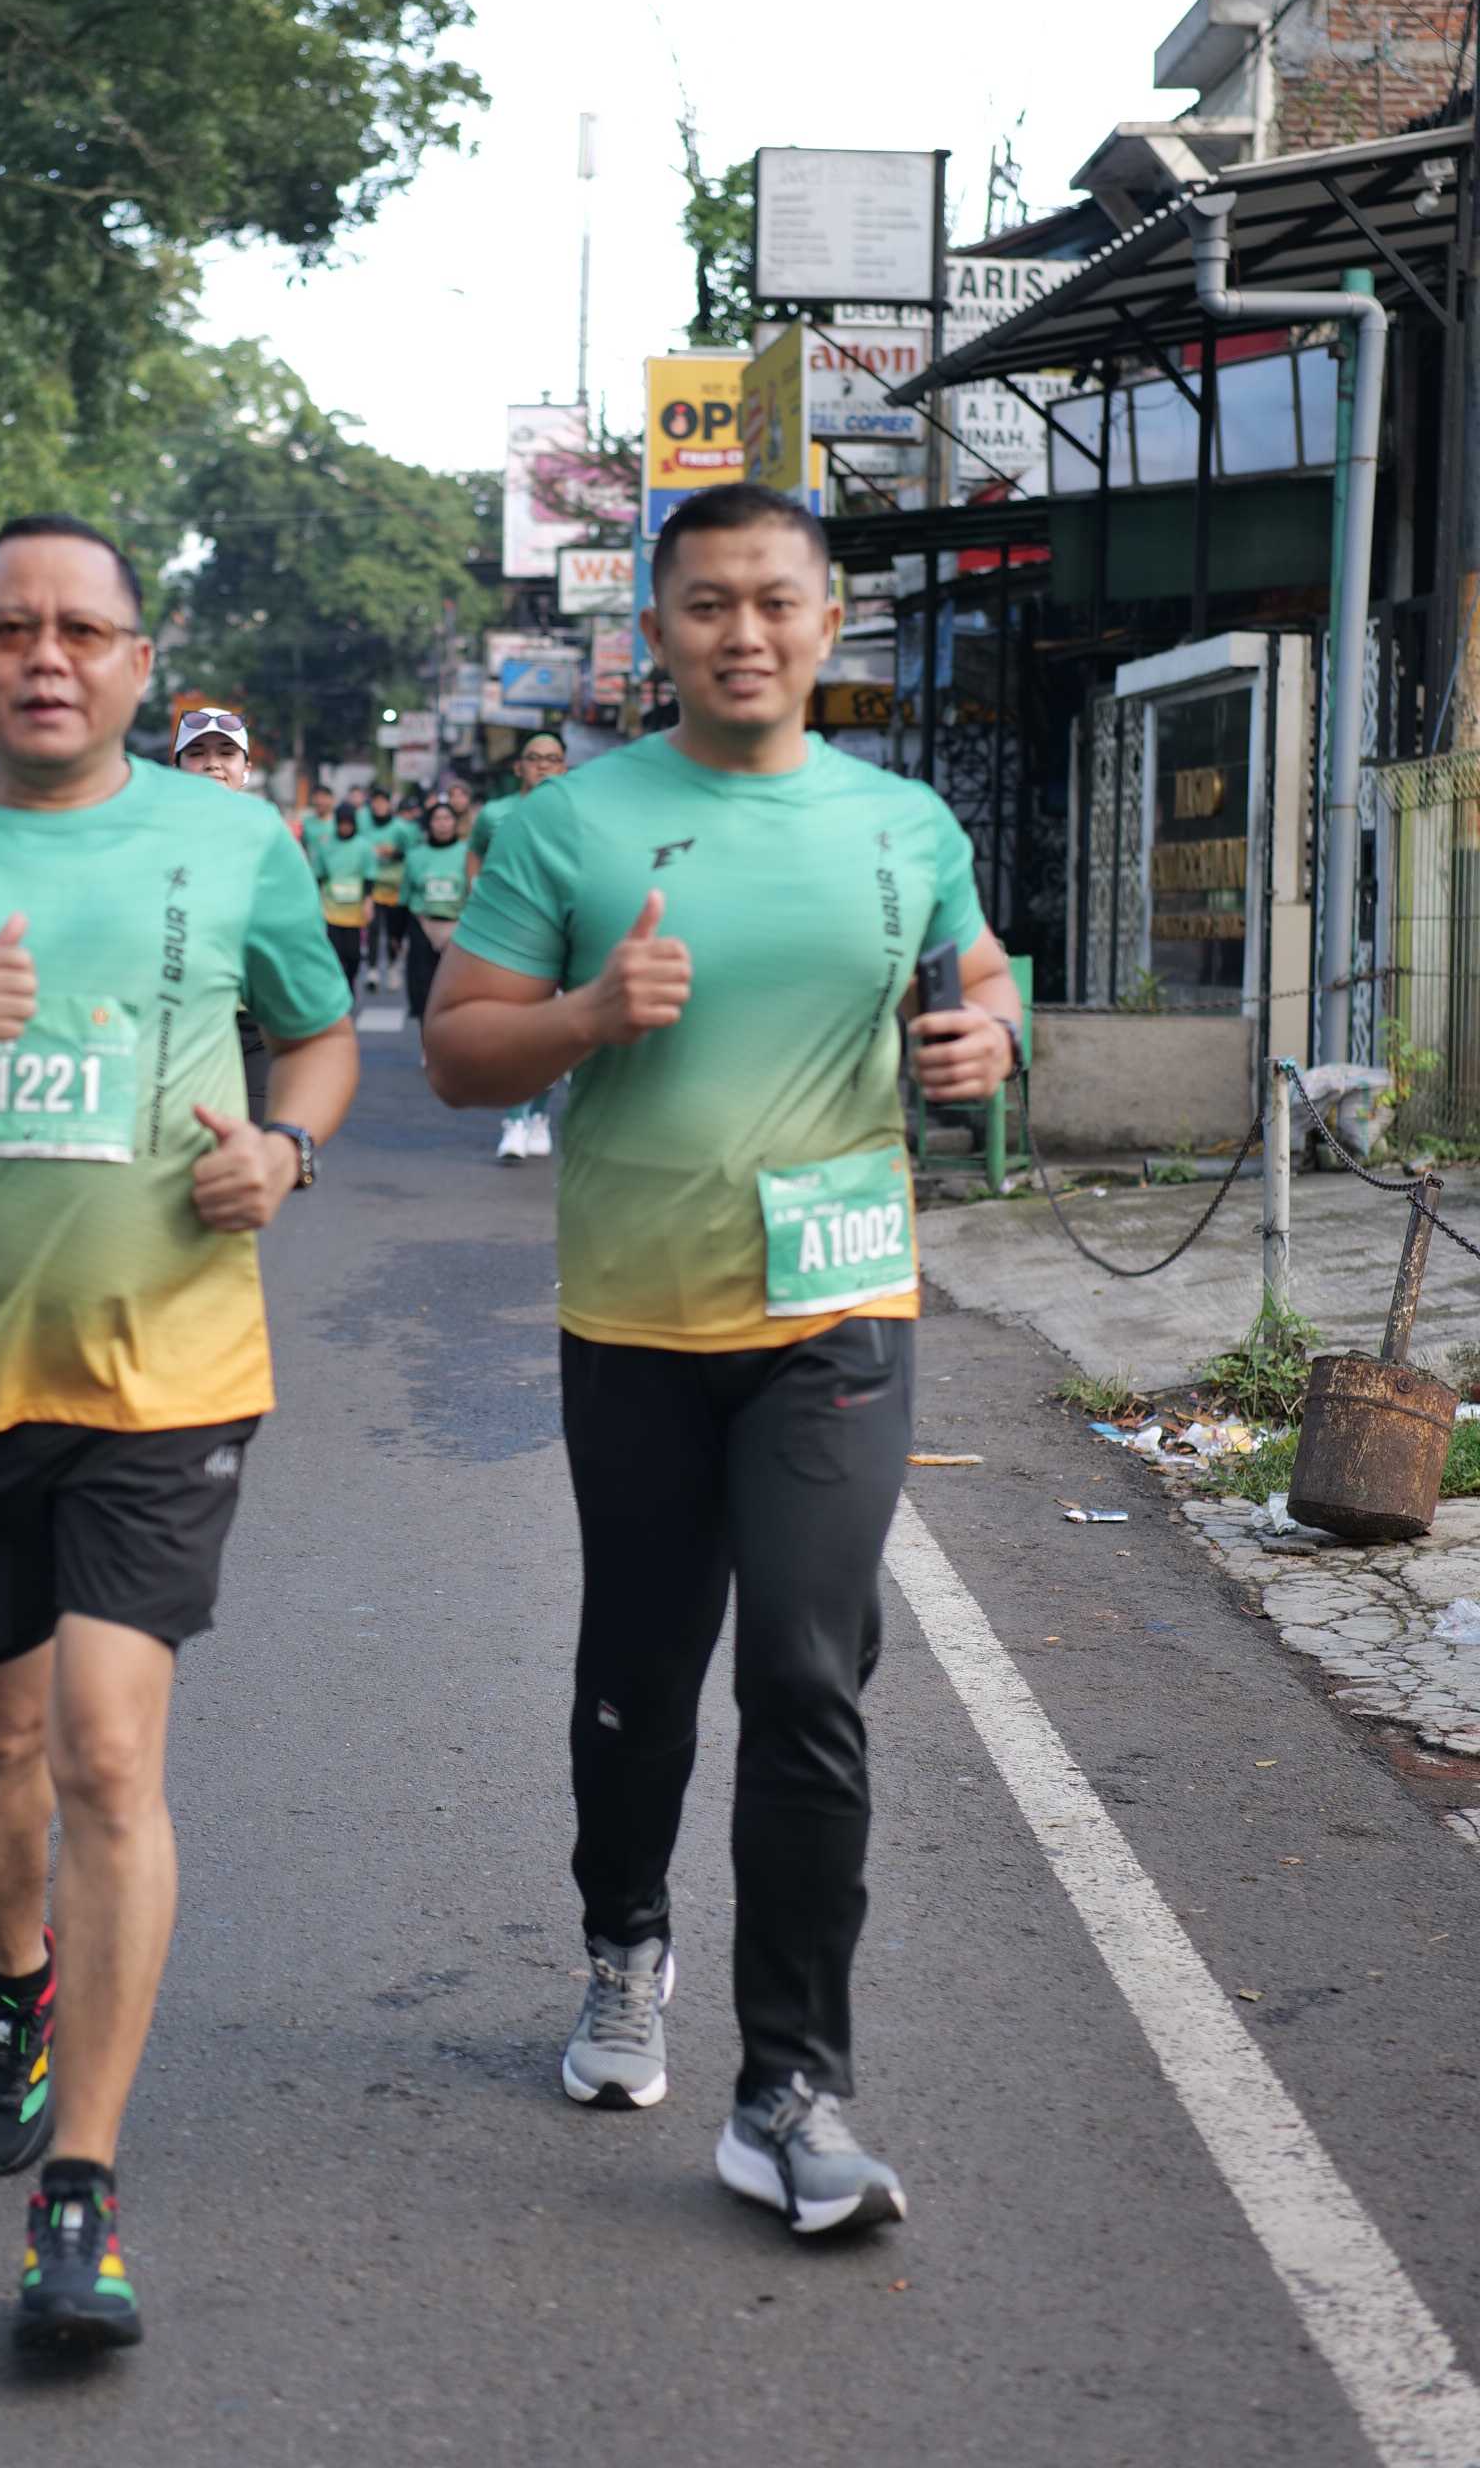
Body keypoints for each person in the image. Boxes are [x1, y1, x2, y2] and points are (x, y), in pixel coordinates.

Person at [0, 514, 356, 2355]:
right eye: (12, 626)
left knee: (107, 1749)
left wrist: (289, 1147)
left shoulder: (233, 841)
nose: (46, 655)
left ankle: (79, 2187)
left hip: (171, 1373)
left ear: (134, 660)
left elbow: (320, 1035)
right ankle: (17, 1981)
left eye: (82, 629)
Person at [425, 480, 1019, 2240]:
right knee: (639, 1671)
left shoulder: (904, 823)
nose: (742, 631)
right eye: (706, 603)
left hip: (837, 1314)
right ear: (656, 632)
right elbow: (456, 1048)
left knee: (808, 1674)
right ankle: (625, 1939)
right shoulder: (571, 825)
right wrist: (586, 1015)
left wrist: (990, 1037)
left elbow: (981, 979)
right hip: (636, 1318)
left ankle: (791, 2090)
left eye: (774, 599)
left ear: (827, 620)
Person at [468, 733, 567, 1165]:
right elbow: (474, 853)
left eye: (552, 759)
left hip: (561, 933)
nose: (543, 765)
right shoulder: (495, 814)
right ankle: (514, 1121)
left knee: (553, 1035)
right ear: (518, 767)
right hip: (509, 932)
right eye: (534, 758)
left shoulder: (576, 814)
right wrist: (477, 895)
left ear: (563, 767)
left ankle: (539, 1116)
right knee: (516, 1029)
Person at [173, 707, 271, 1124]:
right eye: (196, 753)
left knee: (250, 1145)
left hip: (252, 1029)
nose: (212, 763)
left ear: (245, 770)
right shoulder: (150, 841)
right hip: (174, 1027)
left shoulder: (272, 841)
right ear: (176, 768)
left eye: (226, 753)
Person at [400, 795, 472, 1027]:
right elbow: (405, 896)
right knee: (424, 988)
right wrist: (397, 936)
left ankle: (454, 1035)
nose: (442, 824)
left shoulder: (468, 854)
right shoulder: (415, 856)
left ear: (455, 823)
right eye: (437, 819)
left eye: (447, 818)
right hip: (424, 924)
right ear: (429, 824)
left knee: (456, 989)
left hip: (458, 927)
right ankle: (427, 1036)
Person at [317, 799, 374, 990]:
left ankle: (350, 981)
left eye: (348, 823)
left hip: (355, 911)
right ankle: (339, 988)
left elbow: (369, 876)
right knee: (335, 953)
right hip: (331, 909)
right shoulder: (326, 845)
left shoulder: (364, 846)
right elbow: (319, 875)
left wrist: (368, 902)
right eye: (341, 823)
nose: (345, 827)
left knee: (354, 955)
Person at [359, 783, 406, 992]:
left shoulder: (400, 828)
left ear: (389, 804)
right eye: (375, 802)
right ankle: (372, 970)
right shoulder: (365, 828)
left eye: (382, 802)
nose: (379, 806)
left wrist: (393, 853)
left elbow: (410, 853)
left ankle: (393, 967)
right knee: (373, 929)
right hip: (374, 885)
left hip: (395, 887)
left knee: (394, 932)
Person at [297, 779, 337, 876]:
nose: (320, 801)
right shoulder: (306, 823)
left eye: (324, 797)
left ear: (332, 799)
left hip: (335, 873)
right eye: (317, 797)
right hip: (312, 873)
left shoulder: (338, 823)